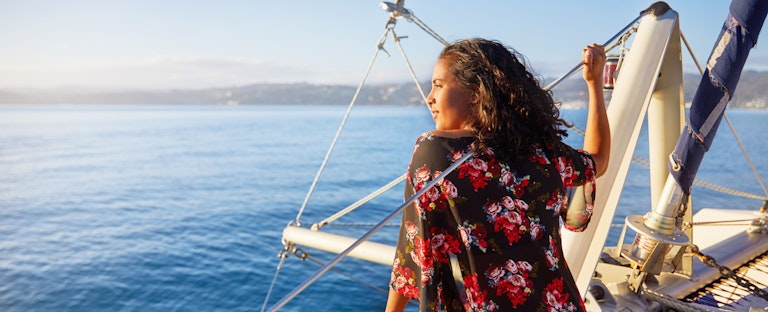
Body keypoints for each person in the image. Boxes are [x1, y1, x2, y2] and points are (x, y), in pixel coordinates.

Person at [385, 38, 610, 311]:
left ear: (475, 93)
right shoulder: (541, 152)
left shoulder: (435, 153)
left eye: (438, 85)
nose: (429, 98)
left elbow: (412, 254)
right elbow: (599, 160)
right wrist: (594, 84)